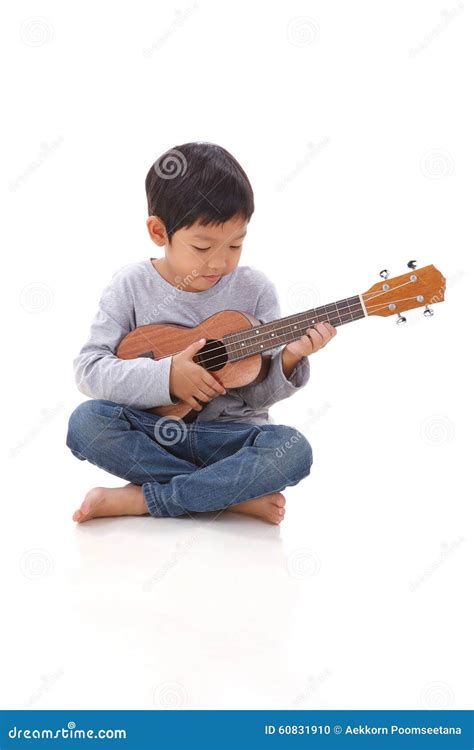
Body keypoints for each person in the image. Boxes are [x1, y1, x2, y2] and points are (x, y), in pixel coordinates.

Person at [66, 142, 337, 525]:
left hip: (230, 441)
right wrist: (168, 377)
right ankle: (226, 495)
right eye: (203, 246)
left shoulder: (255, 290)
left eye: (236, 245)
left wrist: (289, 359)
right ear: (159, 231)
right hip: (155, 434)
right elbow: (89, 370)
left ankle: (147, 499)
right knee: (86, 422)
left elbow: (257, 394)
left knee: (293, 449)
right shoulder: (131, 285)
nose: (220, 262)